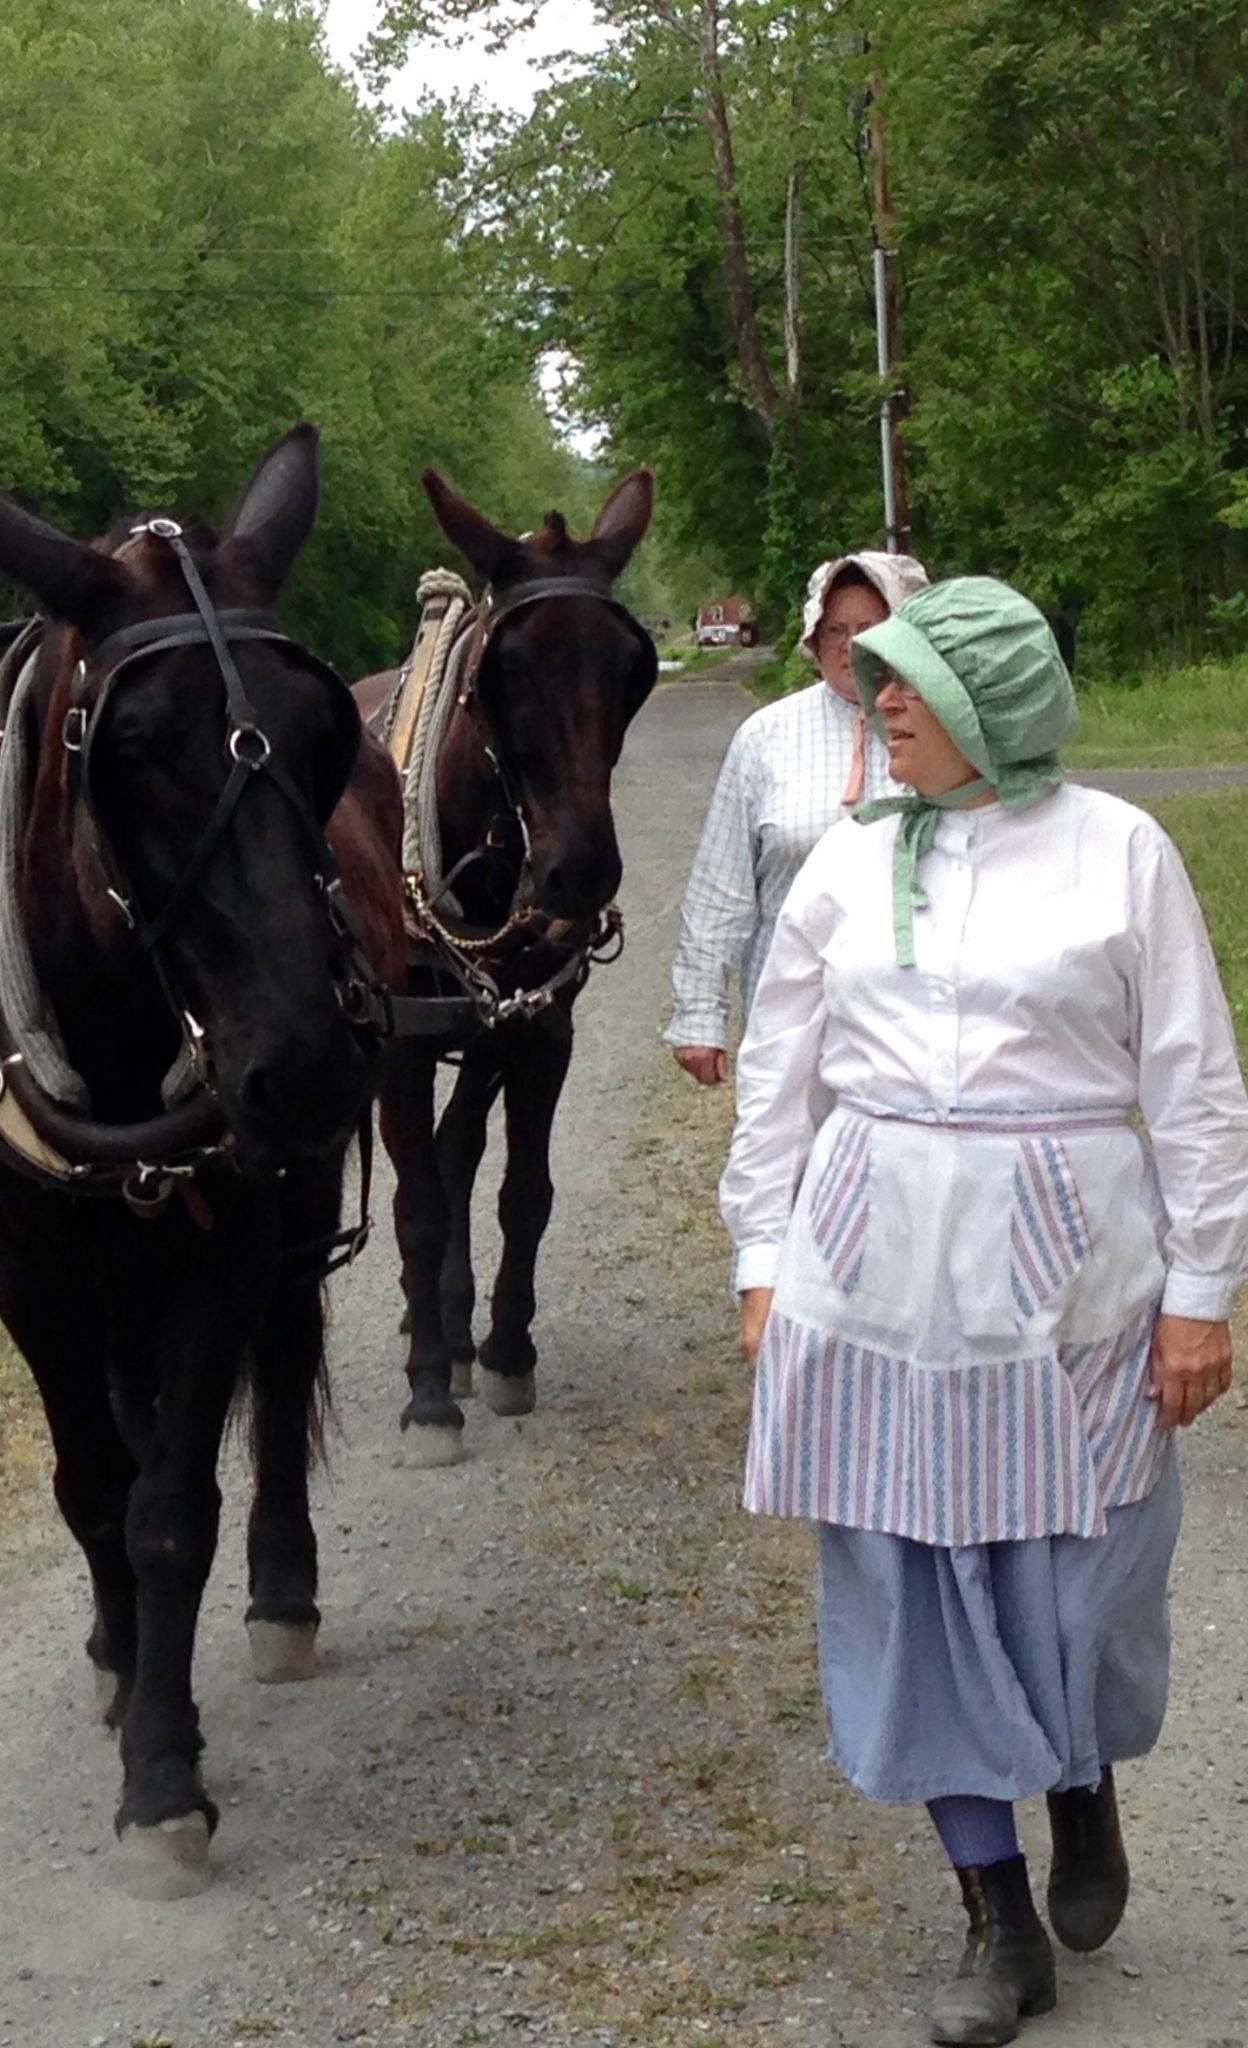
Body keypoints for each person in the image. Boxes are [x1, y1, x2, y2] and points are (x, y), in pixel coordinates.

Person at [721, 577, 1248, 2045]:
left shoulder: (1117, 855)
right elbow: (781, 1075)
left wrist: (1201, 1296)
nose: (881, 700)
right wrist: (763, 1263)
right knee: (901, 1586)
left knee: (1079, 1578)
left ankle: (1079, 1778)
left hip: (1071, 1278)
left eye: (915, 683)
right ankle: (994, 1916)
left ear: (996, 705)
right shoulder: (842, 866)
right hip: (871, 1270)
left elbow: (1195, 1087)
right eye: (874, 678)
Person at [668, 551, 929, 1083]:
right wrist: (700, 1011)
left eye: (868, 628)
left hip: (916, 1018)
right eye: (835, 629)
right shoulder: (766, 738)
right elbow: (723, 884)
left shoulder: (945, 731)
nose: (850, 645)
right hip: (792, 1017)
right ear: (813, 639)